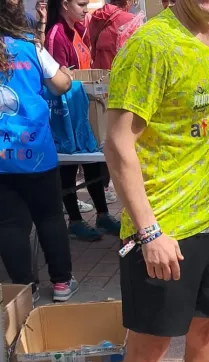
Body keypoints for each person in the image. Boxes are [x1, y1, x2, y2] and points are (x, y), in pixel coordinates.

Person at [104, 0, 209, 362]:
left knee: (206, 333)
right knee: (148, 350)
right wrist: (149, 232)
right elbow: (117, 144)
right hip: (164, 230)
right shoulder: (150, 46)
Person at [0, 0, 80, 302]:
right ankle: (61, 283)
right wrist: (66, 74)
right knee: (49, 217)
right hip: (37, 154)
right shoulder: (30, 47)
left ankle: (24, 289)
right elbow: (61, 85)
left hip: (2, 159)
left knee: (9, 223)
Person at [45, 0, 121, 241]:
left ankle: (102, 214)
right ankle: (75, 221)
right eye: (80, 4)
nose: (86, 9)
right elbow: (55, 81)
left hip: (85, 111)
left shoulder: (78, 30)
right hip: (67, 115)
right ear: (64, 4)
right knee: (68, 167)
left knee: (93, 164)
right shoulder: (56, 35)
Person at [89, 0, 143, 69]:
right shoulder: (132, 20)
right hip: (119, 72)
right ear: (127, 1)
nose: (132, 5)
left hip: (98, 70)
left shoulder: (96, 17)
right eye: (134, 1)